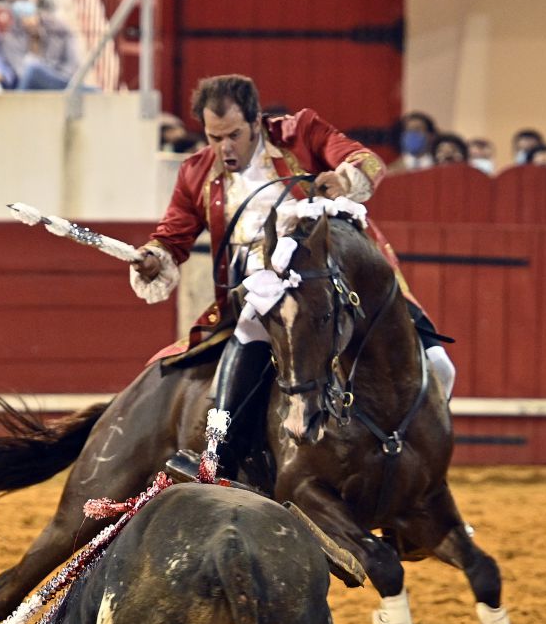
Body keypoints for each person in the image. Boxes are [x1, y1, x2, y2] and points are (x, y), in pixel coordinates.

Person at [131, 74, 454, 477]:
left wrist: (344, 178)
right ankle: (215, 452)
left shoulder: (300, 132)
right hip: (262, 293)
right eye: (215, 138)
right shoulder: (196, 172)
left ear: (255, 121)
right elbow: (172, 236)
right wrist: (154, 257)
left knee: (441, 367)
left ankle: (423, 472)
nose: (224, 148)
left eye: (233, 134)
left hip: (337, 281)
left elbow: (366, 161)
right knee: (248, 336)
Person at [0, 0, 79, 90]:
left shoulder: (59, 29)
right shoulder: (10, 38)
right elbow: (23, 73)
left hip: (60, 86)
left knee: (92, 93)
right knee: (33, 70)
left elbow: (72, 66)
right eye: (13, 2)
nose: (20, 4)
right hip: (28, 91)